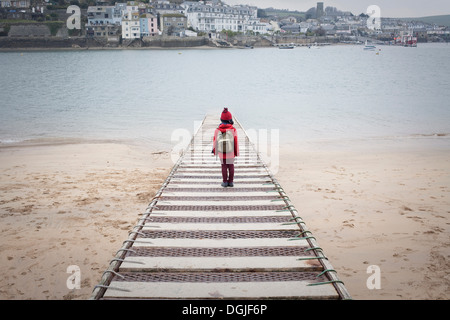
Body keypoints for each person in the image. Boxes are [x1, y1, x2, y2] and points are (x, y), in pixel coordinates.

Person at [212, 108, 239, 187]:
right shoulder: (233, 129)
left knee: (223, 165)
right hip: (231, 152)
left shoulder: (217, 130)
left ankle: (224, 182)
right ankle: (230, 182)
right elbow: (236, 141)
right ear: (230, 120)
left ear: (221, 119)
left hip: (221, 152)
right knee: (231, 165)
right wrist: (236, 152)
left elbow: (215, 142)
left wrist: (215, 151)